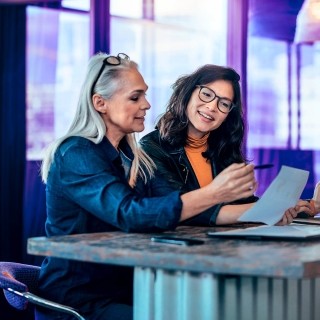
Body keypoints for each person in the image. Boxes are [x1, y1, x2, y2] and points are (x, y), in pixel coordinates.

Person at [36, 53, 261, 320]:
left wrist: (268, 213)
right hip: (81, 298)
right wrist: (214, 192)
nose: (147, 104)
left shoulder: (132, 157)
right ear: (100, 103)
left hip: (125, 288)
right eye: (135, 97)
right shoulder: (76, 153)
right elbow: (130, 213)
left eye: (144, 95)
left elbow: (177, 206)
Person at [139, 64, 313, 226]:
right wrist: (266, 211)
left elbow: (241, 203)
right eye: (206, 94)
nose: (212, 107)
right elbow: (182, 210)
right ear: (187, 93)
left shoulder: (222, 148)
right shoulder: (151, 147)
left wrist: (292, 207)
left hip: (223, 246)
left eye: (224, 103)